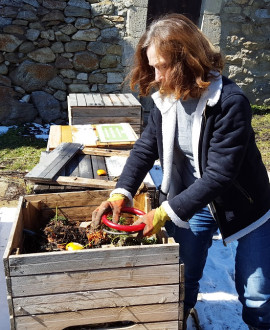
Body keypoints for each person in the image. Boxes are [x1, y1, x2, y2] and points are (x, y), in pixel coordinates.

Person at [92, 13, 270, 330]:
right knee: (182, 275)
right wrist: (121, 193)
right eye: (152, 66)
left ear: (187, 60)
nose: (157, 76)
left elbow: (220, 175)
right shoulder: (166, 98)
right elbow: (146, 147)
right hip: (192, 200)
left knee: (258, 294)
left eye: (162, 66)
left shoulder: (230, 102)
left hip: (246, 205)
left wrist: (163, 213)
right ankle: (179, 318)